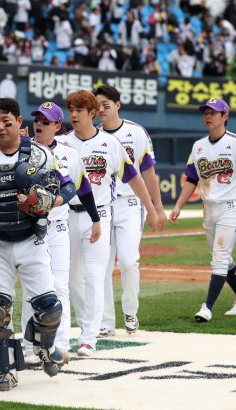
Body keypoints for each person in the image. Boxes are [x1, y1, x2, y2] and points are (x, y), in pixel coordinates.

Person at [0, 97, 76, 391]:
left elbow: (68, 186)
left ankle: (44, 347)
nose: (0, 128)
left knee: (50, 310)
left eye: (6, 122)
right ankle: (5, 372)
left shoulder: (39, 154)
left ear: (19, 123)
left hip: (32, 239)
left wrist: (48, 201)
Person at [57, 90, 160, 357]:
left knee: (94, 275)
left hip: (99, 215)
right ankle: (85, 325)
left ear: (92, 114)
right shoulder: (62, 143)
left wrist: (150, 208)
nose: (74, 115)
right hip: (66, 216)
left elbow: (133, 177)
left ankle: (90, 336)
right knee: (72, 280)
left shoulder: (110, 143)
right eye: (71, 110)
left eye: (80, 110)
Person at [169, 98, 236, 322]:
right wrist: (178, 205)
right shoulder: (198, 146)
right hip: (209, 208)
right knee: (221, 256)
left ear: (225, 116)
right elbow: (192, 179)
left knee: (220, 256)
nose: (208, 116)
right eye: (205, 112)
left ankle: (207, 307)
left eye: (213, 112)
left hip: (232, 205)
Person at [22, 101, 99, 364]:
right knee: (31, 288)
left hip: (58, 228)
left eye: (46, 121)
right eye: (37, 120)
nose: (39, 125)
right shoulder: (23, 150)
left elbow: (83, 189)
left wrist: (95, 219)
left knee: (60, 286)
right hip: (30, 227)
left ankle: (61, 343)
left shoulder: (68, 154)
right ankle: (30, 344)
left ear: (57, 126)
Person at [94, 84, 168, 336]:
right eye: (98, 107)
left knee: (128, 261)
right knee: (102, 264)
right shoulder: (93, 134)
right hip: (103, 205)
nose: (101, 110)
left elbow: (148, 172)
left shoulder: (136, 132)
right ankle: (105, 321)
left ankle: (130, 311)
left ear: (118, 105)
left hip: (130, 203)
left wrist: (157, 208)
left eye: (106, 105)